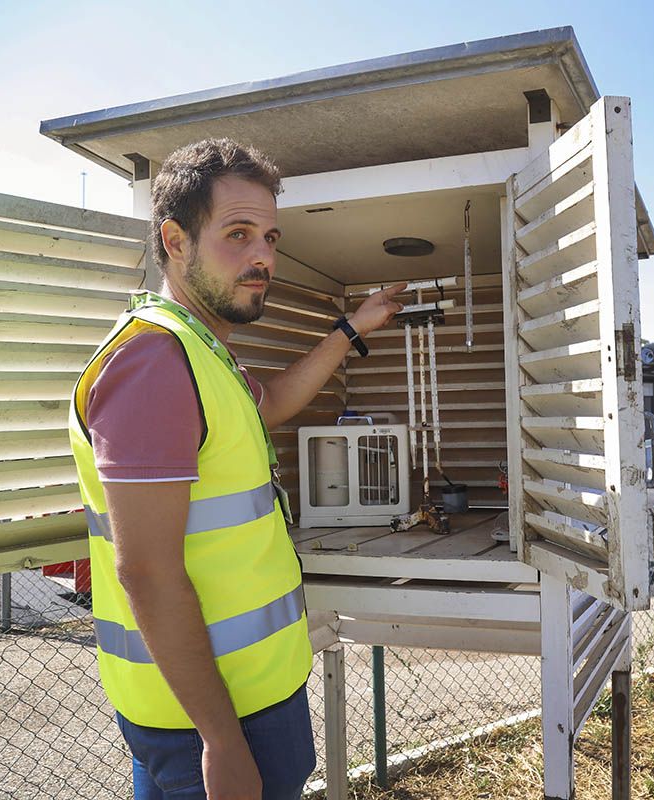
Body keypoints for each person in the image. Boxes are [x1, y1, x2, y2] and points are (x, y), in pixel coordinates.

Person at [68, 138, 404, 800]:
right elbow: (147, 573)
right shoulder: (153, 365)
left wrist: (351, 329)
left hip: (246, 703)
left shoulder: (199, 352)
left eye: (270, 238)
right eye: (238, 234)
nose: (264, 257)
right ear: (176, 241)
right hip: (210, 724)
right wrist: (221, 743)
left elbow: (270, 402)